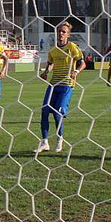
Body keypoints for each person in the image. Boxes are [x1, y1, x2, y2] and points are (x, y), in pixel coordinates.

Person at [36, 22, 85, 153]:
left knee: (57, 113)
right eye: (59, 31)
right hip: (53, 84)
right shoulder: (53, 49)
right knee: (45, 111)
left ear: (68, 34)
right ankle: (44, 142)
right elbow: (51, 63)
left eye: (63, 31)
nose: (61, 33)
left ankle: (59, 139)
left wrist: (76, 72)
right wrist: (46, 71)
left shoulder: (73, 47)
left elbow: (82, 63)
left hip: (67, 84)